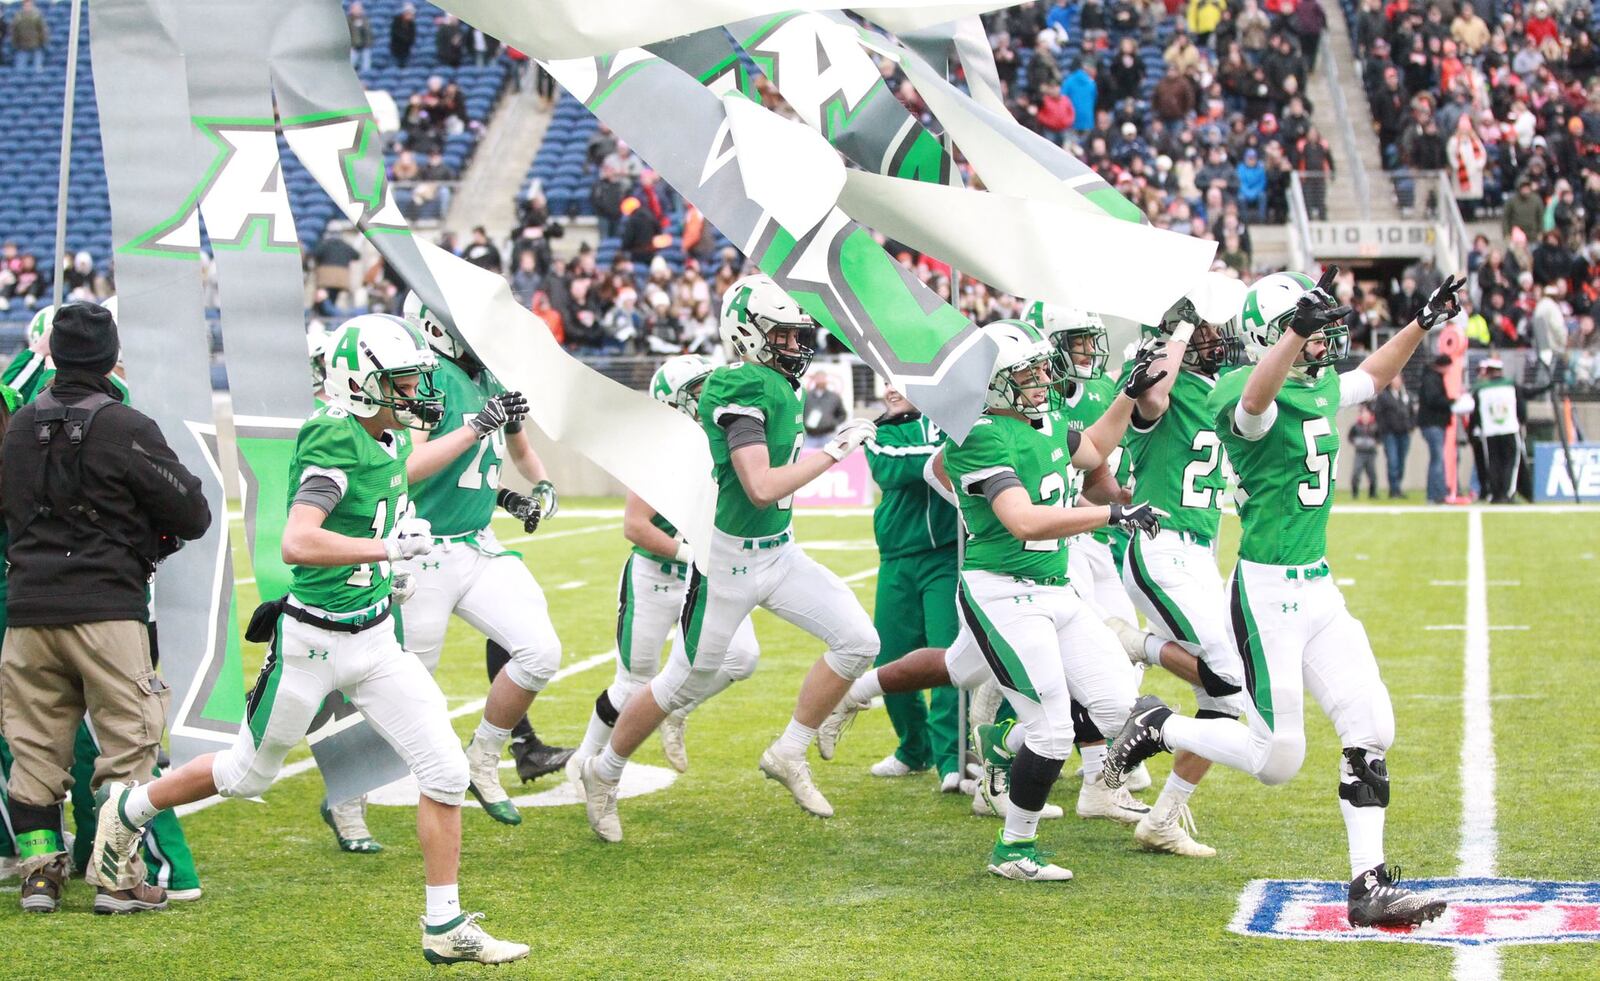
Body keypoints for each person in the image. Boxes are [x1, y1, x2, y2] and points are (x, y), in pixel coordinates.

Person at [91, 314, 528, 962]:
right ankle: (130, 808)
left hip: (376, 639)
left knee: (445, 768)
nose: (416, 392)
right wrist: (385, 547)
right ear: (363, 383)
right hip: (313, 646)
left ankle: (444, 926)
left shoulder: (384, 435)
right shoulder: (334, 435)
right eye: (403, 381)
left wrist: (474, 430)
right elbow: (298, 539)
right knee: (245, 774)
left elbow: (406, 470)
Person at [1102, 268, 1466, 928]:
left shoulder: (1316, 382)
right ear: (1279, 333)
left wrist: (1422, 321)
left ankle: (1368, 883)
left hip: (1319, 586)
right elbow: (1252, 408)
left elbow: (1374, 378)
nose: (1329, 340)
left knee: (1372, 724)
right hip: (1267, 593)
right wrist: (1297, 332)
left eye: (1325, 330)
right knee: (1278, 758)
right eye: (1313, 330)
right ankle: (1160, 726)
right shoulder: (1247, 387)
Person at [576, 274, 882, 842]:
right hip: (727, 565)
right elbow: (761, 486)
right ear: (748, 334)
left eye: (798, 335)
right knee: (675, 685)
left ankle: (789, 752)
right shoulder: (737, 385)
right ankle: (602, 770)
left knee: (860, 641)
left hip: (780, 553)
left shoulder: (774, 385)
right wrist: (835, 450)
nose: (796, 345)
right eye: (783, 335)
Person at [0, 303, 211, 913]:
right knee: (128, 747)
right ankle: (118, 879)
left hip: (27, 611)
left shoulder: (16, 426)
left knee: (34, 749)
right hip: (107, 610)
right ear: (111, 355)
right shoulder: (125, 425)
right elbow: (191, 513)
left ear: (52, 354)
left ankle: (40, 876)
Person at [394, 292, 567, 831]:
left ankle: (486, 755)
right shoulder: (424, 377)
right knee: (402, 686)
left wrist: (537, 484)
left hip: (476, 544)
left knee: (539, 650)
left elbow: (518, 448)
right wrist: (476, 426)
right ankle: (349, 795)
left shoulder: (489, 376)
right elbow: (405, 468)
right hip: (419, 553)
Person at [1104, 275, 1251, 859]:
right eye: (1204, 331)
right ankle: (1133, 647)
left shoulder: (1219, 390)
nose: (1216, 340)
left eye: (1215, 329)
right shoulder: (1157, 384)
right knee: (1230, 677)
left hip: (1199, 553)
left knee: (1228, 700)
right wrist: (1181, 325)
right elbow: (1154, 397)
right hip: (1159, 547)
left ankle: (1162, 819)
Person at [567, 356, 760, 779]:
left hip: (705, 577)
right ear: (675, 403)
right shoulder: (659, 451)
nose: (710, 396)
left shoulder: (724, 441)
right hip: (656, 578)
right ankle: (584, 760)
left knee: (742, 657)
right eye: (699, 390)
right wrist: (693, 554)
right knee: (632, 685)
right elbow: (635, 527)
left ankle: (676, 709)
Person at [857, 385, 960, 788]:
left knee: (948, 658)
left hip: (947, 560)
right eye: (884, 379)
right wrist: (944, 458)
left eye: (898, 378)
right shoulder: (881, 431)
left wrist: (946, 455)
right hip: (897, 559)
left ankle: (953, 758)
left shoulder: (956, 422)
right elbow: (890, 468)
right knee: (890, 658)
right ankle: (914, 748)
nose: (889, 388)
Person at [1465, 358, 1524, 504]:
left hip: (1489, 431)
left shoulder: (1481, 389)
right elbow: (1520, 408)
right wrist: (1521, 421)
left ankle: (1495, 493)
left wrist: (1475, 428)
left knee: (1492, 462)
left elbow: (1475, 412)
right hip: (1509, 428)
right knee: (1511, 462)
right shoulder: (1511, 386)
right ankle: (1508, 493)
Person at [1418, 353, 1454, 503]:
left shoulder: (1430, 377)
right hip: (1433, 424)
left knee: (1437, 459)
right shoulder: (1432, 379)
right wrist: (1451, 402)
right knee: (1437, 460)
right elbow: (1434, 400)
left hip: (1433, 424)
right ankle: (1436, 494)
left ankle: (1437, 493)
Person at [1373, 374, 1415, 498]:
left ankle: (1397, 487)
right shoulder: (1384, 396)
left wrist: (1411, 426)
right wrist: (1383, 430)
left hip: (1404, 433)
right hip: (1390, 434)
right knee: (1393, 461)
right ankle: (1393, 489)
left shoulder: (1406, 396)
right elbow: (1379, 415)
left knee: (1401, 461)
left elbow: (1412, 413)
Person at [802, 371, 847, 448]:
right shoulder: (806, 396)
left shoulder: (834, 397)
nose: (821, 381)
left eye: (823, 378)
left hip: (828, 435)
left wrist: (833, 423)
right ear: (814, 380)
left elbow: (842, 414)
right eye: (818, 378)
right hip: (809, 436)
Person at [1347, 406, 1381, 499]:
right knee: (1356, 473)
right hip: (1360, 453)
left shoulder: (1375, 425)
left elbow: (1379, 437)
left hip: (1371, 453)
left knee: (1372, 474)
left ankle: (1372, 494)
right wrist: (1357, 442)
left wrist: (1374, 442)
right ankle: (1354, 493)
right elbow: (1350, 437)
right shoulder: (1356, 426)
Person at [11, 0, 46, 73]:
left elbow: (42, 30)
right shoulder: (18, 17)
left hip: (36, 44)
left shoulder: (37, 15)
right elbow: (14, 31)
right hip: (22, 45)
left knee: (37, 68)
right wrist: (15, 43)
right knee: (20, 69)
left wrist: (43, 41)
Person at [347, 1, 373, 73]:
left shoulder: (365, 20)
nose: (358, 10)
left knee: (366, 65)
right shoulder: (348, 20)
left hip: (365, 46)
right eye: (356, 9)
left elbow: (368, 32)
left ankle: (366, 76)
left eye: (359, 9)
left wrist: (368, 43)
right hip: (353, 46)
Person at [390, 3, 417, 68]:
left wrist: (408, 40)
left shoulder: (412, 24)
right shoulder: (397, 20)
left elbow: (412, 37)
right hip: (396, 50)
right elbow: (395, 33)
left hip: (406, 51)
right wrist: (406, 39)